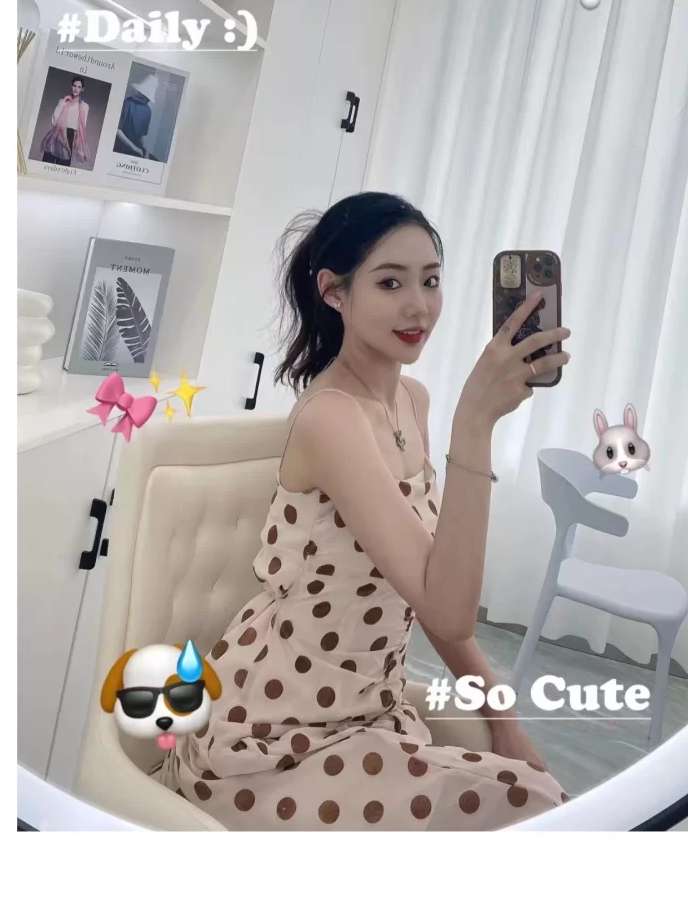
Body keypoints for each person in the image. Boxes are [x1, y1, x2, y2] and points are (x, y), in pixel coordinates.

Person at [157, 191, 572, 830]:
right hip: (273, 733)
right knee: (539, 809)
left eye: (430, 280)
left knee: (538, 797)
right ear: (334, 292)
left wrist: (503, 717)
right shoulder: (330, 420)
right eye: (390, 282)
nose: (419, 306)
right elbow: (451, 607)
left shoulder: (413, 402)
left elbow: (431, 593)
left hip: (369, 711)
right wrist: (476, 426)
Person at [40, 75, 90, 165]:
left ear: (82, 89)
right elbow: (54, 121)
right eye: (74, 86)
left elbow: (82, 126)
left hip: (70, 135)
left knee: (63, 165)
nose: (76, 89)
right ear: (71, 86)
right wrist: (63, 102)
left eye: (79, 87)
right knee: (47, 162)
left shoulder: (84, 106)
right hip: (57, 134)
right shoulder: (62, 101)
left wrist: (76, 141)